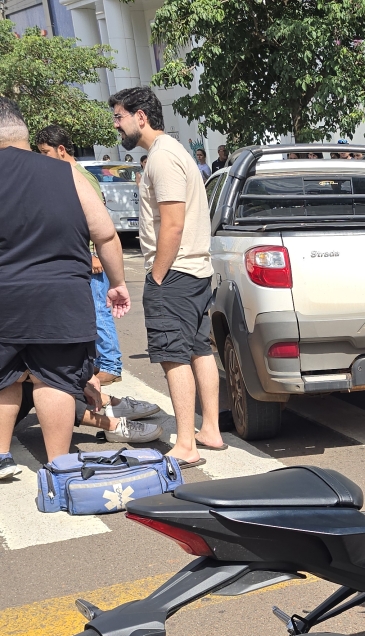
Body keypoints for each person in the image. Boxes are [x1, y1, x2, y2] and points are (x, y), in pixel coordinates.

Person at [0, 98, 131, 476]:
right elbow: (105, 233)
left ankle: (2, 454)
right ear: (23, 132)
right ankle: (59, 465)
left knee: (4, 376)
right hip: (60, 296)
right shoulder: (64, 172)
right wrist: (117, 282)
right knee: (52, 377)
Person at [110, 86, 224, 466]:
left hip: (175, 273)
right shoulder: (171, 154)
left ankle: (187, 445)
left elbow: (172, 225)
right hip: (192, 271)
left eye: (119, 117)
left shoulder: (162, 158)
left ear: (140, 116)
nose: (117, 125)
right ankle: (209, 430)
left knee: (173, 356)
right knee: (197, 349)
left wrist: (156, 277)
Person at [34, 125, 161, 443]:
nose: (43, 160)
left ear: (61, 150)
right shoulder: (65, 177)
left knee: (100, 318)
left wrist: (94, 255)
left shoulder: (79, 178)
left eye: (46, 153)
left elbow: (97, 221)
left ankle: (108, 371)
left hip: (90, 263)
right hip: (81, 263)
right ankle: (104, 396)